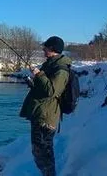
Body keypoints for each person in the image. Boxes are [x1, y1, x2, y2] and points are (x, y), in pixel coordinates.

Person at [20, 36, 72, 176]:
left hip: (46, 118)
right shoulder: (50, 64)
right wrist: (33, 81)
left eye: (46, 47)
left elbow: (52, 91)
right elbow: (44, 87)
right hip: (40, 114)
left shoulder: (61, 69)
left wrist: (39, 74)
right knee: (39, 153)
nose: (43, 49)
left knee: (44, 155)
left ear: (53, 49)